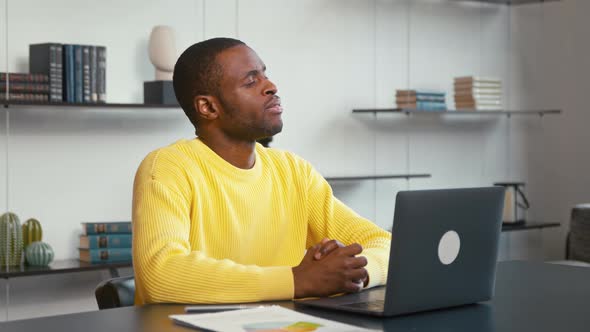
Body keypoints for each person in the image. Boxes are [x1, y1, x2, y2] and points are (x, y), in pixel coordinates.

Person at [132, 37, 391, 305]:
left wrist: (352, 274)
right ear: (208, 107)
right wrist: (298, 280)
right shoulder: (167, 167)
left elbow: (383, 242)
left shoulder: (294, 171)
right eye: (251, 81)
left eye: (265, 75)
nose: (271, 86)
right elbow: (161, 274)